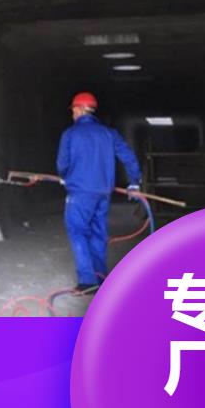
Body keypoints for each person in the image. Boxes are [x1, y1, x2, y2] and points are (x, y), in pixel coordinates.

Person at [56, 92, 141, 291]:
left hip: (80, 193)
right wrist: (134, 183)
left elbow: (62, 163)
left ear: (79, 109)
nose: (72, 114)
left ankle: (87, 281)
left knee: (78, 231)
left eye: (73, 110)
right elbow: (128, 156)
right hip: (103, 193)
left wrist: (64, 176)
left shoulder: (70, 134)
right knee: (98, 232)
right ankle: (101, 277)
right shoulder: (109, 133)